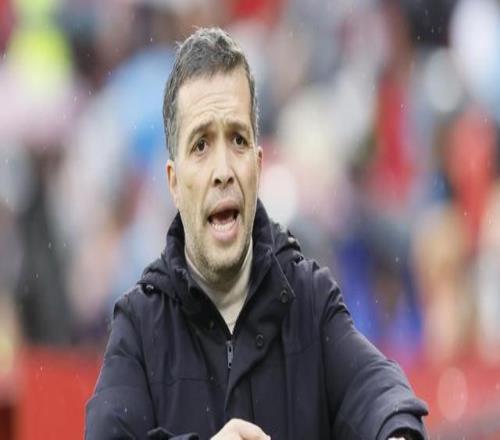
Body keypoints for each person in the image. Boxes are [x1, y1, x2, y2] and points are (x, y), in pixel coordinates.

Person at [85, 27, 428, 440]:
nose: (224, 170)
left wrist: (397, 433)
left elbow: (382, 396)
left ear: (258, 165)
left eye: (238, 140)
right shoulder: (139, 328)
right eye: (201, 145)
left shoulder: (309, 300)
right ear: (173, 182)